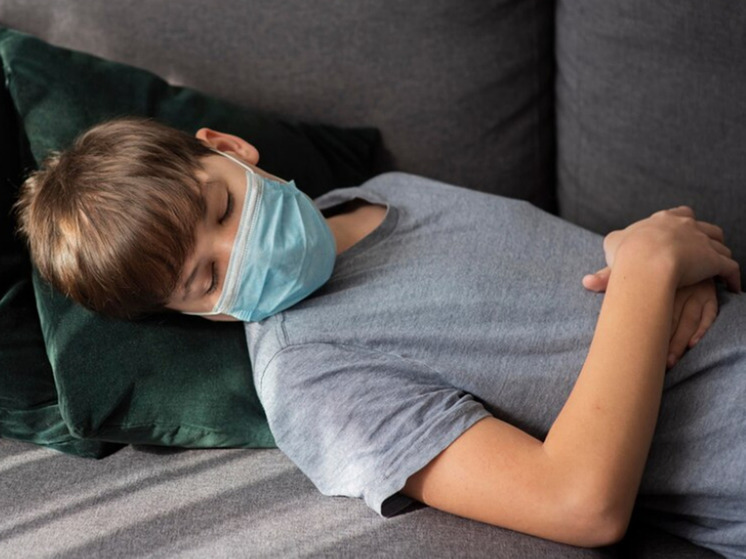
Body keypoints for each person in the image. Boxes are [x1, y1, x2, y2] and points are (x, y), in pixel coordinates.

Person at [15, 117, 745, 557]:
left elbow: (582, 289)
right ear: (185, 314)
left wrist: (666, 264)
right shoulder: (311, 379)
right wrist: (648, 271)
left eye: (223, 208)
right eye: (205, 278)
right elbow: (579, 504)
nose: (238, 248)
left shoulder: (391, 193)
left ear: (230, 147)